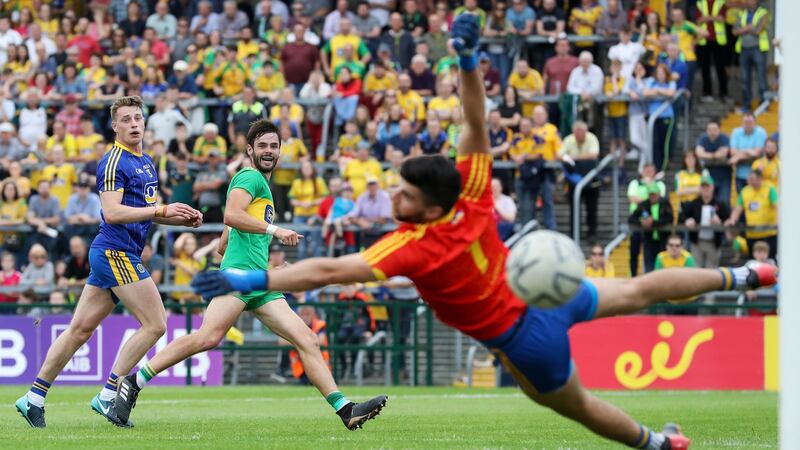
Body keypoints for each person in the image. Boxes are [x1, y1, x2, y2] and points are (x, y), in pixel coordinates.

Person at [193, 15, 777, 449]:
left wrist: (249, 273)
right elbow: (475, 120)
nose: (393, 196)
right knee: (643, 288)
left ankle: (657, 443)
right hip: (546, 291)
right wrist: (469, 60)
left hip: (525, 339)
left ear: (423, 209)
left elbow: (324, 271)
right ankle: (747, 273)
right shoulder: (470, 195)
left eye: (404, 195)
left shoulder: (412, 248)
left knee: (572, 404)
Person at [110, 119, 387, 431]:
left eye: (273, 146)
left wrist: (239, 250)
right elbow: (231, 214)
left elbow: (230, 229)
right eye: (263, 146)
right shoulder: (249, 176)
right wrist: (274, 230)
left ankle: (345, 409)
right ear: (250, 150)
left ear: (280, 150)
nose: (269, 151)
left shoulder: (261, 186)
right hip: (239, 278)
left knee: (307, 338)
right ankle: (133, 382)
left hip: (260, 280)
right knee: (208, 337)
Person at [15, 96, 203, 429]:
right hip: (115, 252)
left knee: (79, 330)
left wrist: (179, 218)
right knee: (156, 323)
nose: (133, 124)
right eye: (126, 119)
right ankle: (108, 394)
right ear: (115, 126)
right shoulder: (114, 160)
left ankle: (33, 398)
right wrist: (161, 209)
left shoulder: (145, 160)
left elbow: (143, 213)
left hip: (116, 252)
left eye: (138, 118)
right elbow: (113, 213)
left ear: (145, 122)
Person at [725, 169, 778, 260]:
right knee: (753, 261)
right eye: (751, 179)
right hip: (752, 234)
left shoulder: (769, 189)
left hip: (768, 233)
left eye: (755, 179)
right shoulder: (745, 191)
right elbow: (738, 208)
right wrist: (732, 219)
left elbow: (777, 206)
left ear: (761, 178)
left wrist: (779, 222)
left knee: (770, 260)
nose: (753, 182)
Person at [559, 120, 600, 240]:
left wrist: (573, 157)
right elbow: (560, 155)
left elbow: (594, 155)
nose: (578, 137)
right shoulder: (569, 139)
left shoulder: (591, 138)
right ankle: (574, 233)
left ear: (585, 132)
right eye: (576, 134)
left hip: (591, 179)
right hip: (574, 179)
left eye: (581, 134)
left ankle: (592, 233)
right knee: (573, 208)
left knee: (591, 208)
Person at [681, 175, 730, 269]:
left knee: (712, 270)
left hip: (714, 242)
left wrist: (719, 222)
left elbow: (728, 219)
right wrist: (687, 220)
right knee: (695, 269)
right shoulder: (694, 203)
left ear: (712, 187)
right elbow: (682, 216)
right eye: (703, 186)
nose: (705, 189)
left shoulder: (720, 203)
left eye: (707, 186)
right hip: (697, 242)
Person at [733, 0, 769, 112]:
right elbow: (735, 31)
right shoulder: (741, 13)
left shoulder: (763, 13)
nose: (748, 1)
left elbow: (759, 30)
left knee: (761, 77)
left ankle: (764, 104)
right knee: (744, 79)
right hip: (744, 49)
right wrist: (748, 28)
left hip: (758, 48)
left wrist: (744, 29)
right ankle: (746, 106)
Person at [629, 182, 673, 273]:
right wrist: (641, 222)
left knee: (662, 266)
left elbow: (670, 218)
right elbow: (631, 218)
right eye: (650, 194)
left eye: (654, 194)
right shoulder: (644, 204)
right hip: (649, 240)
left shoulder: (665, 203)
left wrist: (654, 223)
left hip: (663, 240)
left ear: (659, 194)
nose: (652, 197)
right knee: (649, 266)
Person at [695, 119, 732, 204]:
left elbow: (723, 153)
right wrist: (714, 155)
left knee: (724, 201)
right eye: (710, 130)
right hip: (708, 176)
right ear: (707, 130)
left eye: (715, 130)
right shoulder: (703, 139)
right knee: (709, 201)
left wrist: (707, 155)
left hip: (724, 176)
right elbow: (699, 153)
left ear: (719, 130)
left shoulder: (724, 138)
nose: (712, 132)